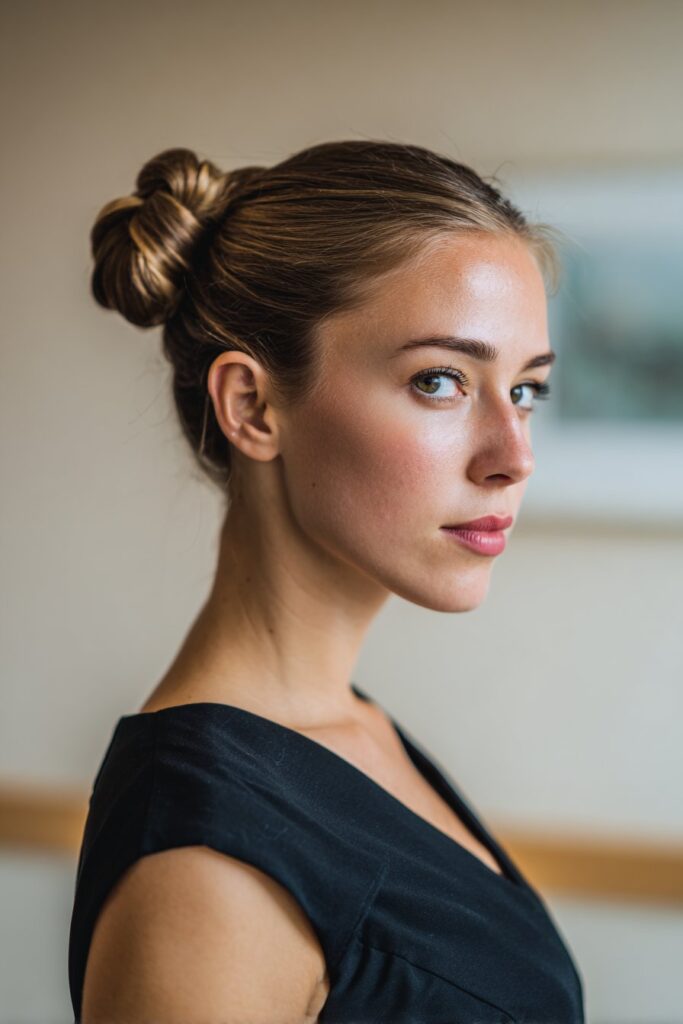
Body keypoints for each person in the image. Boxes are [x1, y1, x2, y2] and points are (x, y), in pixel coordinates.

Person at [68, 139, 585, 1023]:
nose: (513, 457)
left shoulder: (352, 729)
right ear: (253, 407)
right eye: (440, 381)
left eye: (526, 390)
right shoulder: (206, 864)